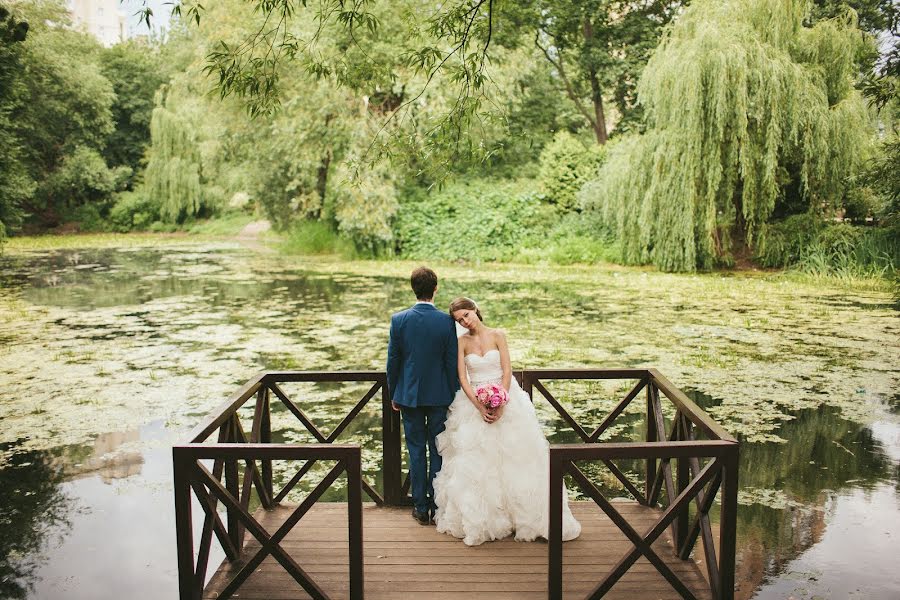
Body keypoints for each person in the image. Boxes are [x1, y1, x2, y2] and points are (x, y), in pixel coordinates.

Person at [433, 297, 581, 546]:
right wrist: (480, 406)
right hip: (474, 403)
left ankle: (525, 517)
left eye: (466, 315)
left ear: (475, 310)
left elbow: (507, 370)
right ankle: (488, 519)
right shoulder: (462, 343)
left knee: (518, 458)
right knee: (478, 463)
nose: (465, 322)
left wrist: (501, 400)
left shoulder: (498, 335)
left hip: (507, 398)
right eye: (460, 320)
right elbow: (463, 377)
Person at [386, 267, 459, 525]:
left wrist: (393, 392)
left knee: (416, 451)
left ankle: (420, 507)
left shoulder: (399, 320)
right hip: (440, 396)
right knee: (437, 449)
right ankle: (438, 506)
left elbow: (393, 362)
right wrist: (454, 395)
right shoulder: (446, 321)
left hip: (409, 396)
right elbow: (452, 363)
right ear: (436, 288)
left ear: (412, 288)